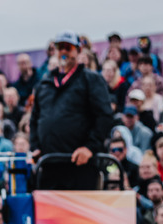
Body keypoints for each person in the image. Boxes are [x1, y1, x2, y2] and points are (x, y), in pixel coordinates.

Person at [30, 32, 114, 191]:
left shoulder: (90, 79)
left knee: (80, 215)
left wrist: (90, 147)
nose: (63, 52)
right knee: (50, 215)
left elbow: (105, 116)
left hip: (79, 164)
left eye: (68, 48)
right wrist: (35, 146)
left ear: (79, 50)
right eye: (60, 47)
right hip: (50, 164)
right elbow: (34, 119)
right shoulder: (44, 83)